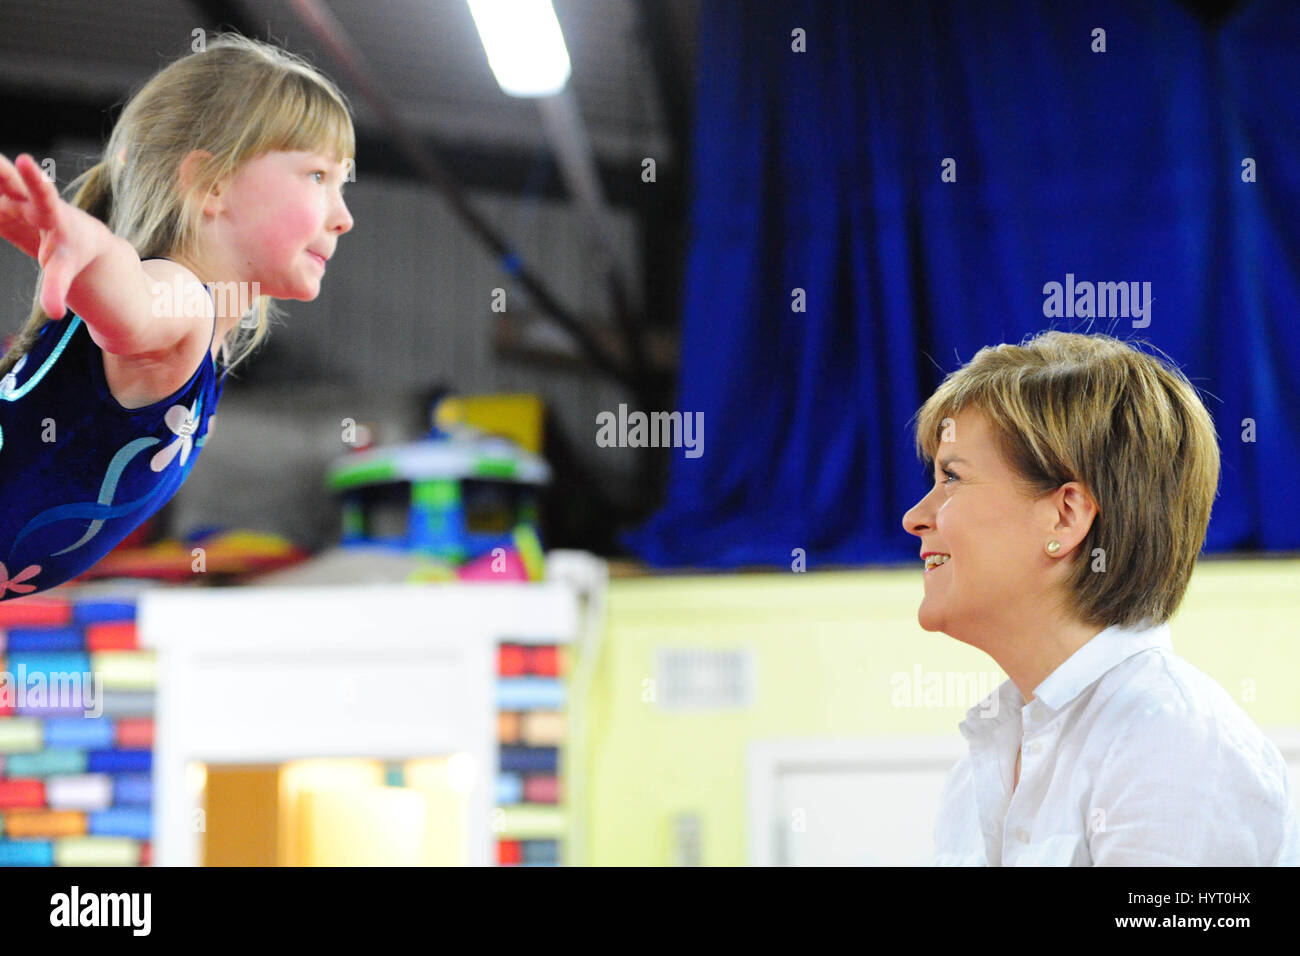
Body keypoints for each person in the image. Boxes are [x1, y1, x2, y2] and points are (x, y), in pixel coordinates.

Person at [902, 330, 1299, 865]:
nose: (915, 517)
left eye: (952, 477)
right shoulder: (985, 760)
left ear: (1065, 517)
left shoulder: (1174, 744)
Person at [0, 34, 354, 601]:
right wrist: (92, 251)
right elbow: (137, 308)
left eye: (344, 184)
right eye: (317, 177)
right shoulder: (183, 299)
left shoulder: (200, 341)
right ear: (211, 185)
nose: (344, 217)